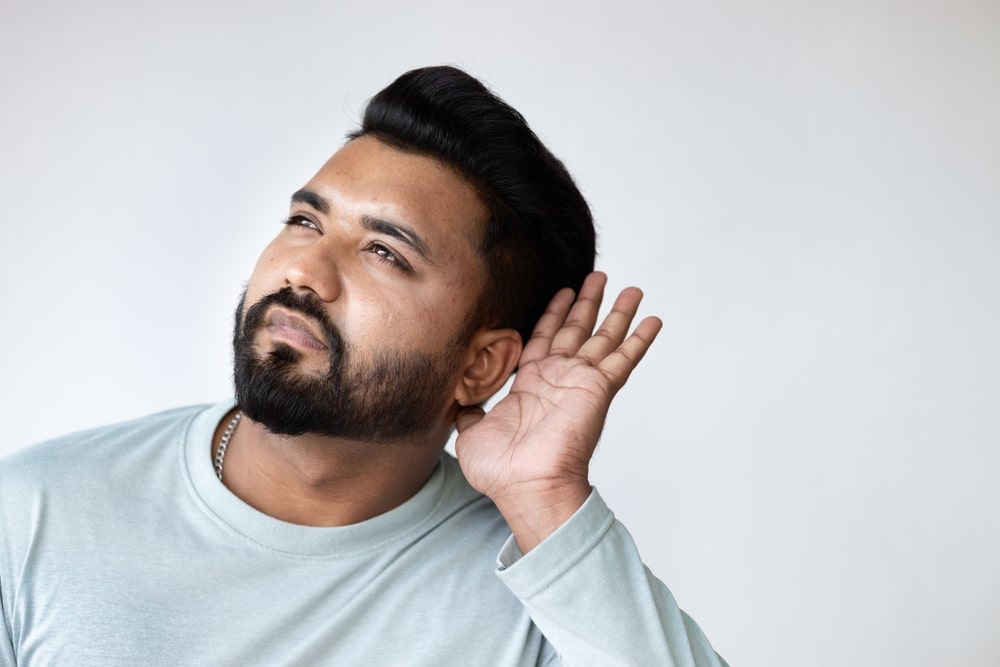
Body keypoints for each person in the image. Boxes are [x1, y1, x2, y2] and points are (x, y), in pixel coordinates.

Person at [0, 66, 727, 666]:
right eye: (305, 220)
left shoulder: (542, 598)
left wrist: (547, 500)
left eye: (384, 251)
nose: (303, 270)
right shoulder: (35, 513)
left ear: (480, 365)